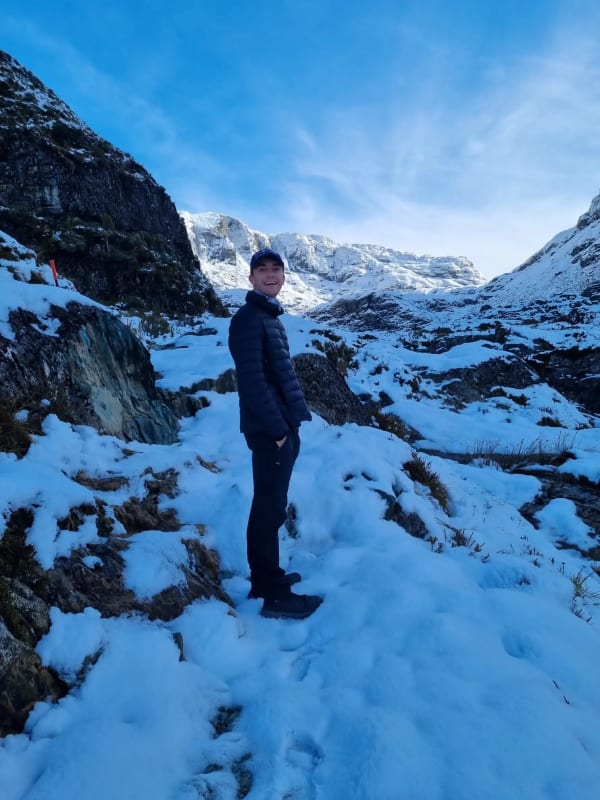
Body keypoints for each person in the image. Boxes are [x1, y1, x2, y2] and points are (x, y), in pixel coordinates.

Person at [228, 248, 323, 619]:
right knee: (268, 509)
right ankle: (272, 594)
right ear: (250, 278)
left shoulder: (266, 315)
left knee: (272, 506)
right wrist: (279, 430)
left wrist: (289, 426)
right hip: (272, 431)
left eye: (277, 269)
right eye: (262, 269)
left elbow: (274, 374)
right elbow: (251, 381)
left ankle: (266, 579)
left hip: (281, 427)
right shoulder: (250, 318)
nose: (271, 274)